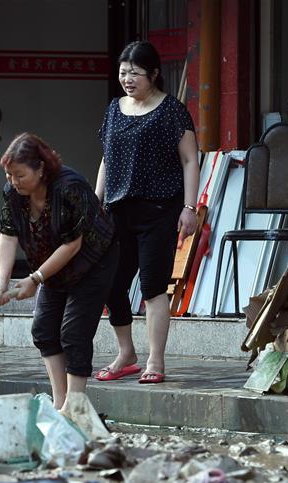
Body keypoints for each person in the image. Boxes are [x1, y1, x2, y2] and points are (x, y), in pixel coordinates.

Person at [93, 41, 199, 386]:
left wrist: (189, 207)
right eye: (123, 72)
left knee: (154, 287)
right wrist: (96, 202)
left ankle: (156, 359)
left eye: (135, 73)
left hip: (159, 210)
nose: (127, 79)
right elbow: (107, 159)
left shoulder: (172, 111)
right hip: (117, 212)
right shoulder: (113, 108)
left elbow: (190, 160)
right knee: (111, 283)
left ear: (154, 74)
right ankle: (127, 353)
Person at [0, 133, 118, 410]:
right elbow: (8, 234)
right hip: (52, 263)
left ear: (40, 168)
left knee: (73, 332)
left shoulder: (69, 187)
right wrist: (2, 282)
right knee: (45, 330)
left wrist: (36, 278)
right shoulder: (13, 192)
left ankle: (75, 407)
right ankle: (61, 403)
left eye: (20, 175)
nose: (13, 181)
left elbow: (72, 245)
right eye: (9, 175)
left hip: (93, 261)